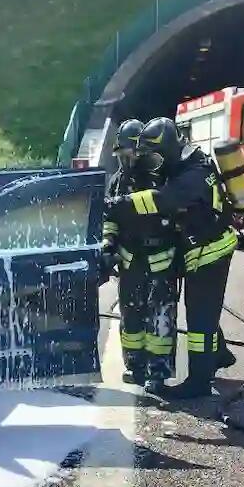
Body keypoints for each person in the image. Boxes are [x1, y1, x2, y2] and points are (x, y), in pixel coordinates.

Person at [106, 117, 237, 398]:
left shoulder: (190, 176)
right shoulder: (186, 165)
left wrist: (118, 205)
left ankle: (198, 383)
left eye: (154, 156)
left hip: (209, 253)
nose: (150, 163)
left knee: (199, 321)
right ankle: (219, 355)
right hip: (201, 249)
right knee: (205, 312)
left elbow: (161, 200)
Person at [102, 119, 180, 391]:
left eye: (130, 154)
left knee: (160, 318)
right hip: (130, 260)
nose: (126, 160)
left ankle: (157, 372)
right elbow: (110, 218)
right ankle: (134, 365)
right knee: (130, 316)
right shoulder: (117, 181)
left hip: (160, 259)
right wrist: (108, 245)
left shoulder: (161, 177)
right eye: (122, 154)